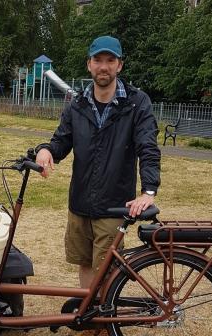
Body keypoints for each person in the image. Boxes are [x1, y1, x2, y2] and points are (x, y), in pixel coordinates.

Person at [35, 36, 161, 288]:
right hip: (80, 202)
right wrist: (46, 150)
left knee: (105, 268)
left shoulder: (136, 103)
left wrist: (148, 191)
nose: (104, 66)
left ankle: (104, 323)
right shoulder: (77, 104)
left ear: (119, 65)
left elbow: (148, 146)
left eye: (110, 60)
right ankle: (90, 316)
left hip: (114, 204)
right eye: (98, 60)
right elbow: (62, 140)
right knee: (85, 262)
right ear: (89, 65)